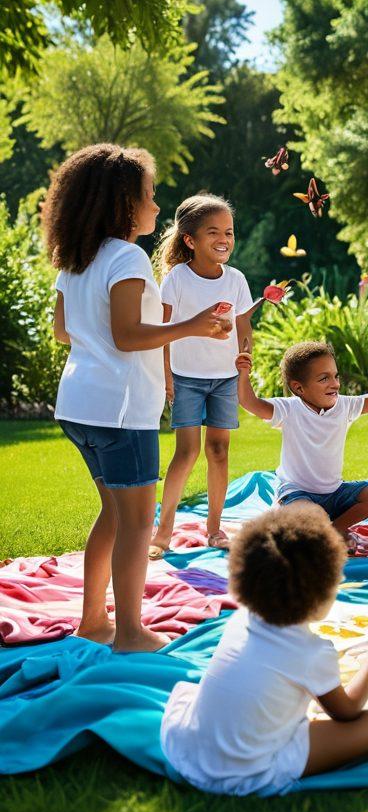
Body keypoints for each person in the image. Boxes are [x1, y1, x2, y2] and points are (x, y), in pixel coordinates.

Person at [45, 144, 229, 652]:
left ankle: (92, 621)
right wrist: (190, 325)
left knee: (113, 514)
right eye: (149, 197)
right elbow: (127, 335)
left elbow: (64, 331)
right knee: (136, 522)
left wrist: (102, 336)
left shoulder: (76, 258)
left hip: (80, 406)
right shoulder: (126, 257)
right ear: (125, 204)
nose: (155, 206)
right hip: (121, 412)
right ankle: (129, 631)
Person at [160, 503, 368, 794]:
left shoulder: (242, 619)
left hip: (191, 752)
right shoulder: (310, 652)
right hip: (245, 771)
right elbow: (347, 712)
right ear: (318, 593)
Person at [149, 195, 254, 557]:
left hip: (224, 378)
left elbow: (244, 325)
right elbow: (162, 331)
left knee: (219, 450)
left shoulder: (236, 279)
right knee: (187, 451)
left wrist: (245, 357)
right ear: (190, 240)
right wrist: (167, 377)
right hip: (186, 377)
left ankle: (214, 528)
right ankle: (163, 532)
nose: (224, 238)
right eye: (214, 232)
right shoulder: (176, 278)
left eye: (229, 231)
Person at [235, 339, 368, 536]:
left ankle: (335, 531)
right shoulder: (289, 409)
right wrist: (243, 372)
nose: (335, 384)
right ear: (299, 388)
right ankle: (321, 529)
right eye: (324, 379)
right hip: (297, 496)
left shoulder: (344, 406)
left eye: (335, 376)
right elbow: (249, 402)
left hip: (334, 493)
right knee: (313, 515)